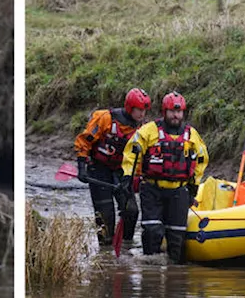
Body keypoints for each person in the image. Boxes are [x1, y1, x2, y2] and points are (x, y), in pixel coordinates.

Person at [122, 92, 209, 263]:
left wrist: (194, 186)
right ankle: (150, 277)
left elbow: (201, 159)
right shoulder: (149, 131)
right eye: (172, 112)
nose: (176, 115)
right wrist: (127, 177)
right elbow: (131, 153)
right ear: (164, 111)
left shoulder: (191, 135)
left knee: (177, 237)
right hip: (152, 189)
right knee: (152, 232)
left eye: (179, 112)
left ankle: (174, 278)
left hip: (179, 190)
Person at [74, 87, 150, 245]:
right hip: (99, 169)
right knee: (105, 215)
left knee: (131, 211)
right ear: (130, 107)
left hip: (122, 171)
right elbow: (85, 140)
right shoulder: (104, 118)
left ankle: (126, 245)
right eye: (139, 110)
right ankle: (105, 247)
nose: (142, 114)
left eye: (144, 110)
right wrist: (81, 166)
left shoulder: (143, 129)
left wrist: (136, 178)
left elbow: (142, 158)